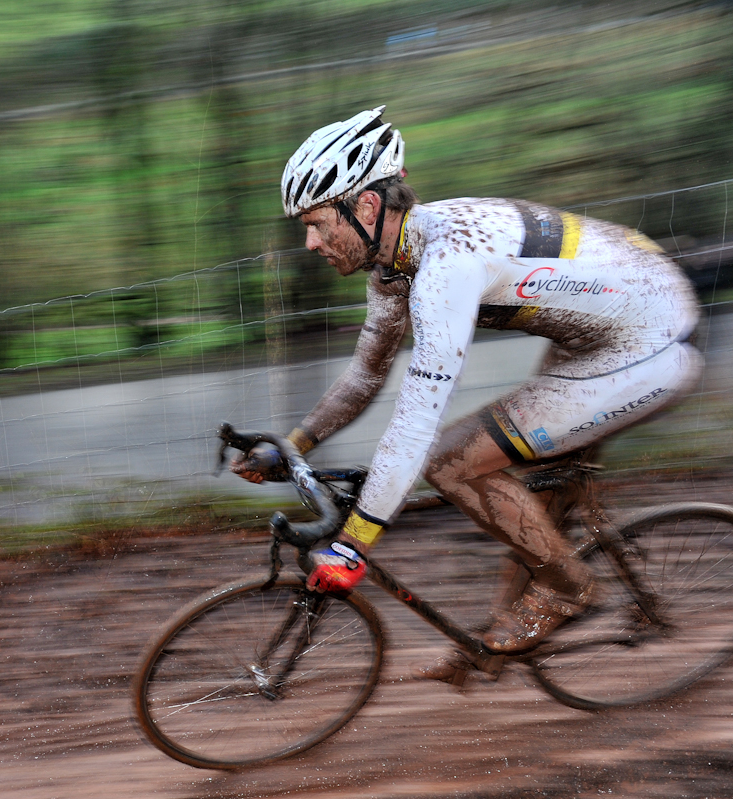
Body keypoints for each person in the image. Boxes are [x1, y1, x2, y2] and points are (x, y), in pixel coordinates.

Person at [235, 105, 702, 680]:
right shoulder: (395, 263)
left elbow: (414, 425)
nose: (310, 242)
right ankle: (506, 632)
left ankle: (569, 588)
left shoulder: (446, 268)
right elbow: (364, 376)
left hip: (649, 341)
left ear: (366, 207)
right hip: (607, 323)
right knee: (519, 475)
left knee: (454, 461)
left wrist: (353, 543)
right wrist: (295, 443)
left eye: (316, 223)